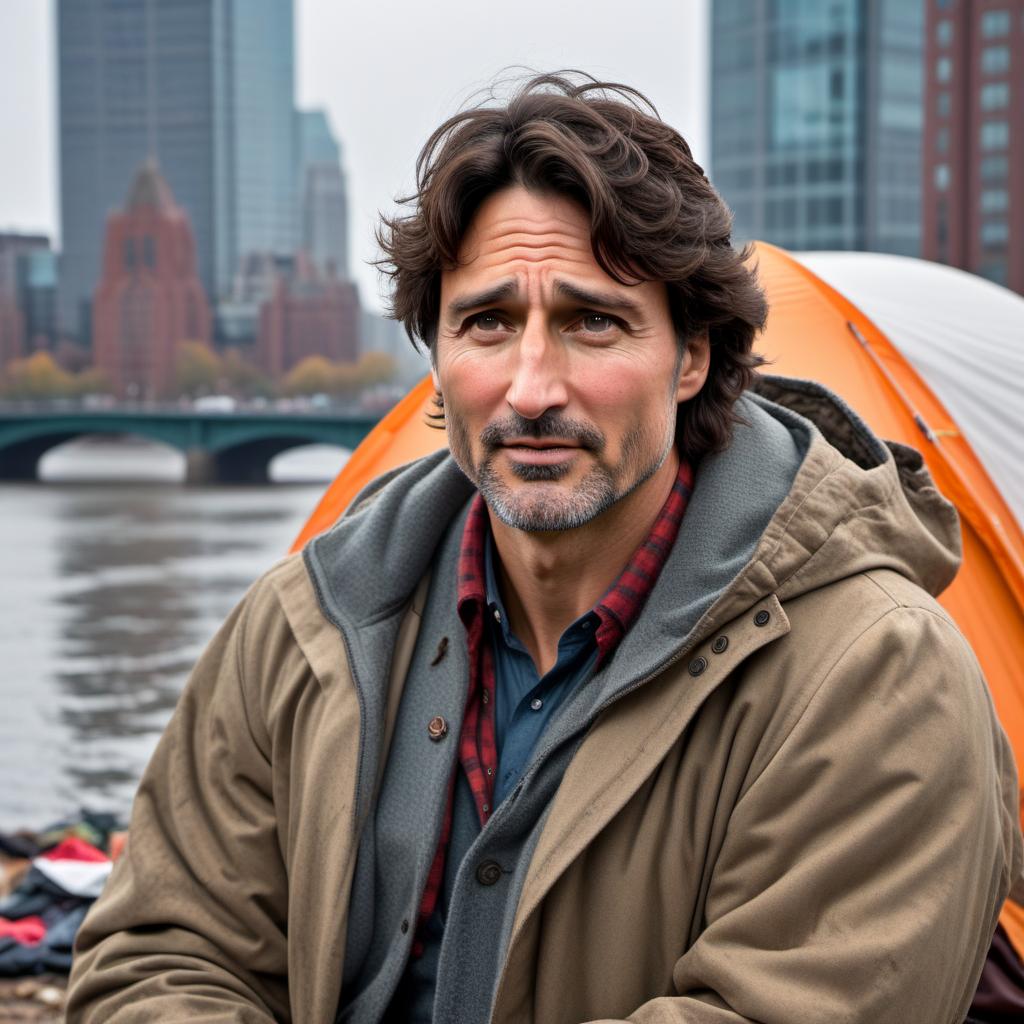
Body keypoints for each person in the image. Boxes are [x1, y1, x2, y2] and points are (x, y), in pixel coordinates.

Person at [67, 73, 1022, 1024]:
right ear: (437, 354)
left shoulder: (879, 674)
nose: (530, 388)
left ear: (692, 356)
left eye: (591, 321)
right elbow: (158, 953)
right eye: (486, 323)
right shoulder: (311, 622)